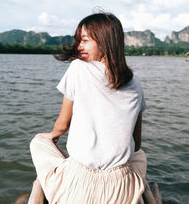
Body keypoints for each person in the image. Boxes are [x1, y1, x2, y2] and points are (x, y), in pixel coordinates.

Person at [30, 12, 147, 204]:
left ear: (104, 41)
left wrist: (51, 137)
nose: (79, 47)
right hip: (121, 191)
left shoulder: (78, 68)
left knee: (38, 141)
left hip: (78, 189)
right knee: (139, 155)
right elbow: (137, 142)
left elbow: (62, 125)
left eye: (84, 40)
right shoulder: (134, 82)